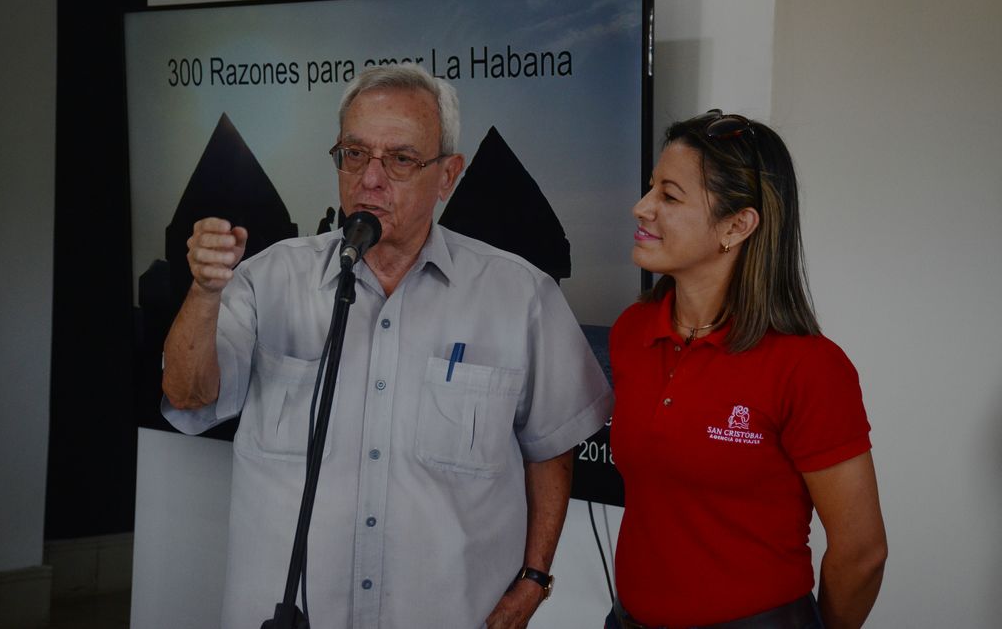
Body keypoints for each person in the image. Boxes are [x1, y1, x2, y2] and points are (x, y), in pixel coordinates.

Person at [161, 64, 612, 629]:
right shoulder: (267, 279)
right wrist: (204, 292)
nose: (369, 180)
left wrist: (535, 578)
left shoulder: (521, 296)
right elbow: (188, 397)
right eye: (354, 154)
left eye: (400, 159)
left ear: (447, 177)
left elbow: (551, 448)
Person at [606, 110, 887, 629]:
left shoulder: (809, 368)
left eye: (670, 196)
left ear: (737, 225)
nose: (641, 207)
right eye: (650, 188)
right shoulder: (632, 332)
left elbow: (862, 553)